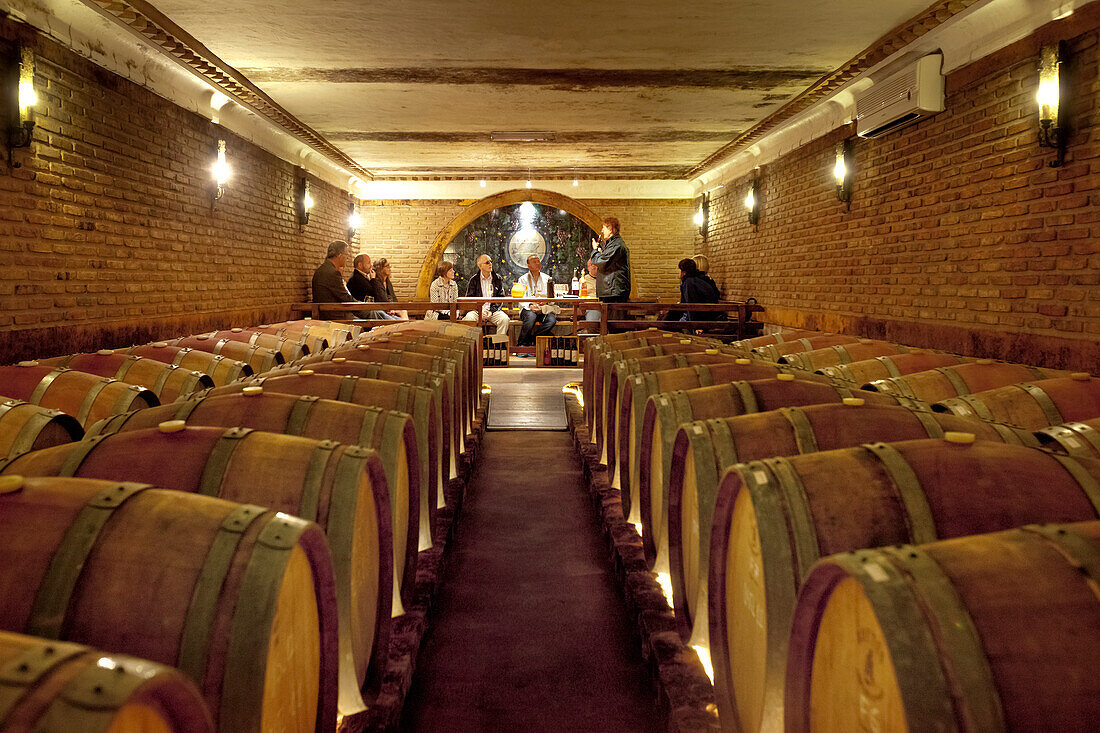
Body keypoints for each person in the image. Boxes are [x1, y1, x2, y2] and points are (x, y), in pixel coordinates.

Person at [588, 216, 630, 330]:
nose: (602, 231)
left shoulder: (617, 245)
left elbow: (601, 262)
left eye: (604, 228)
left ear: (610, 229)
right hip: (611, 291)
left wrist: (595, 250)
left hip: (614, 292)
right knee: (610, 326)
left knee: (615, 326)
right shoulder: (612, 244)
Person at [311, 240, 366, 319]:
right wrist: (358, 303)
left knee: (372, 314)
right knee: (365, 320)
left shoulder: (322, 269)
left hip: (326, 311)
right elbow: (344, 296)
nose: (347, 259)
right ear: (340, 256)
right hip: (333, 314)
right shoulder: (332, 273)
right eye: (346, 255)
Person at [462, 253, 510, 336]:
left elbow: (500, 298)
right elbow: (469, 299)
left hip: (493, 311)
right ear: (480, 266)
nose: (490, 264)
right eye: (487, 262)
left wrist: (491, 311)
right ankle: (473, 346)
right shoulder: (474, 280)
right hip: (477, 311)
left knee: (504, 319)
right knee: (468, 319)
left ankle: (498, 345)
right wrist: (480, 310)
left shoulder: (497, 278)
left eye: (491, 262)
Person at [516, 254, 558, 346]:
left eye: (538, 261)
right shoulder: (522, 279)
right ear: (529, 265)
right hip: (528, 309)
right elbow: (521, 298)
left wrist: (545, 302)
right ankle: (521, 344)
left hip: (543, 309)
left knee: (551, 320)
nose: (538, 263)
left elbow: (552, 298)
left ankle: (534, 339)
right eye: (534, 262)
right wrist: (530, 305)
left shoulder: (547, 279)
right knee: (531, 317)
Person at [674, 257, 722, 325]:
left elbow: (691, 304)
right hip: (706, 315)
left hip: (702, 317)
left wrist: (695, 326)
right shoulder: (704, 280)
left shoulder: (690, 282)